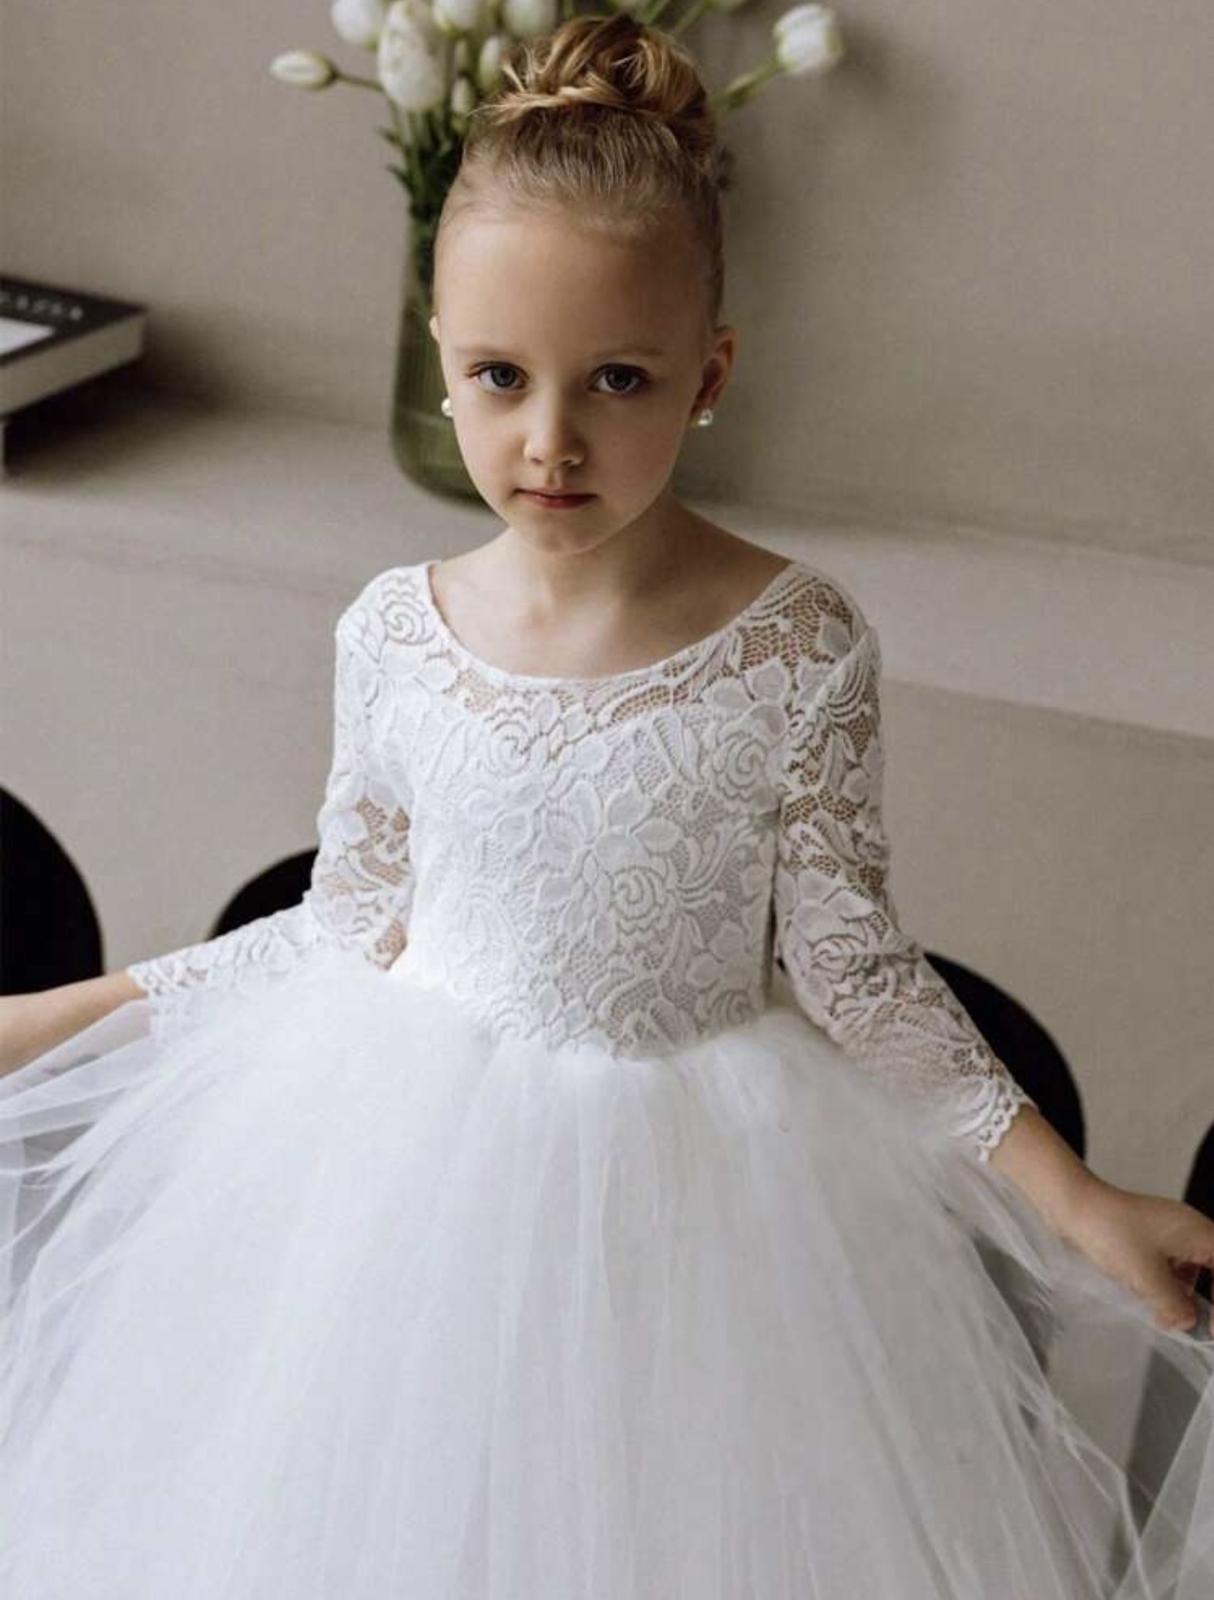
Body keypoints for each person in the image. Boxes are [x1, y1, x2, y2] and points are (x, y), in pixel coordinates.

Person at [2, 14, 1212, 1596]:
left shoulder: (796, 644)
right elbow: (339, 930)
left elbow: (856, 973)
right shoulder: (394, 632)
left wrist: (1075, 1200)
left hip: (705, 1220)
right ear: (441, 350)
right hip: (399, 1194)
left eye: (616, 380)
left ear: (708, 374)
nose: (550, 439)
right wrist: (54, 1016)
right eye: (498, 376)